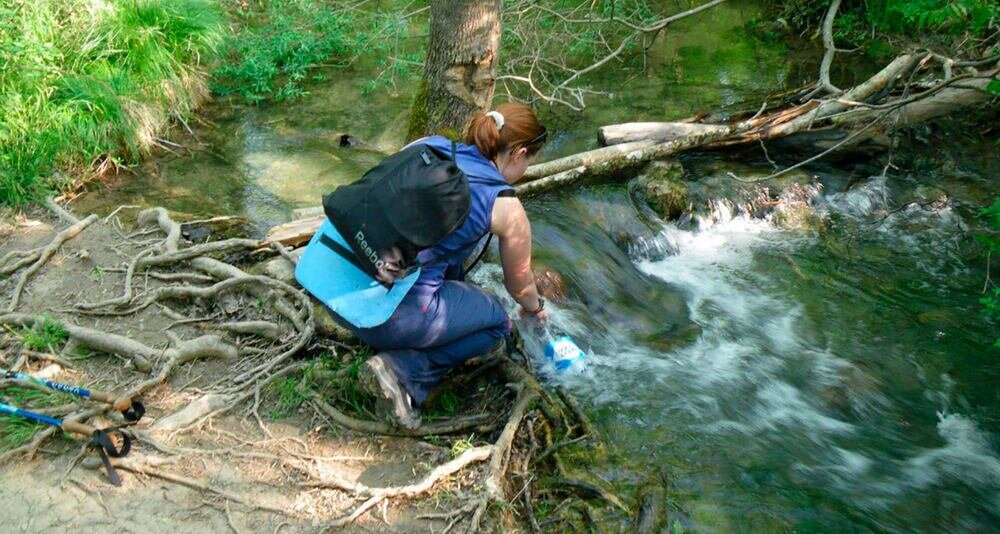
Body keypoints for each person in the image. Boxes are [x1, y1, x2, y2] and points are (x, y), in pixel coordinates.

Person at [331, 102, 550, 429]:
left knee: (440, 268)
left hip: (332, 286)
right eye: (529, 160)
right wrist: (536, 308)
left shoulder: (426, 145)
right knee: (496, 325)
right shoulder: (506, 205)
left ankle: (390, 334)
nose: (526, 168)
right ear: (518, 153)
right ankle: (404, 373)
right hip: (384, 318)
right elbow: (520, 287)